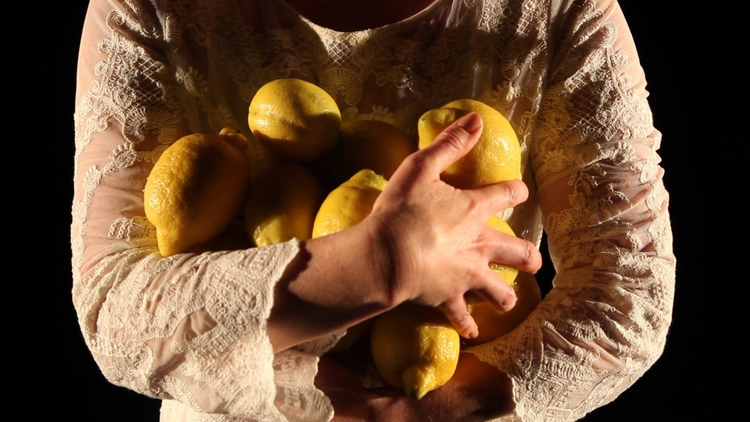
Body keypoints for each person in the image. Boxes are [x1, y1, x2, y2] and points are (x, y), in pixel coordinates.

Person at [71, 0, 675, 421]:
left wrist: (423, 411)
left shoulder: (561, 10)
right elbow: (111, 310)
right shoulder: (152, 7)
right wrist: (383, 263)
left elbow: (629, 296)